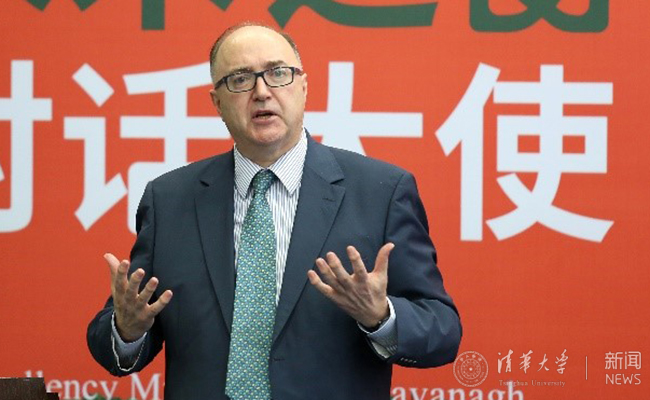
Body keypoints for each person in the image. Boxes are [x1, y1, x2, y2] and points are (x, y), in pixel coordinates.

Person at [87, 22, 461, 400]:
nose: (262, 92)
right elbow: (115, 336)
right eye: (240, 79)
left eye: (278, 73)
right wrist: (127, 330)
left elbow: (442, 329)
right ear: (217, 102)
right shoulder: (169, 200)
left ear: (303, 86)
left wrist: (380, 316)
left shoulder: (380, 192)